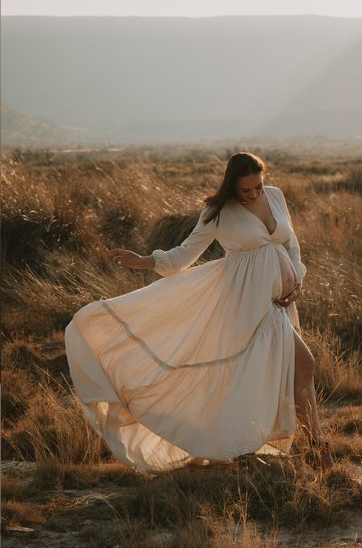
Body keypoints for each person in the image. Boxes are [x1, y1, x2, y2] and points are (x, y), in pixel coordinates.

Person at [64, 152, 333, 472]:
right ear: (231, 186)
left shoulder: (275, 196)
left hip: (281, 303)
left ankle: (270, 446)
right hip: (247, 303)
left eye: (257, 187)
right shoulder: (217, 211)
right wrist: (145, 260)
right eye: (245, 191)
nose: (253, 195)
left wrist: (297, 282)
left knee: (276, 374)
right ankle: (314, 447)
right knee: (303, 363)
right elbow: (184, 255)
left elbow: (292, 246)